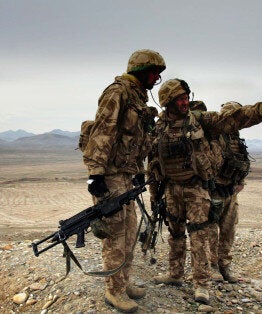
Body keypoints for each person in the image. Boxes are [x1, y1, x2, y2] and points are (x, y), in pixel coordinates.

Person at [147, 78, 262, 304]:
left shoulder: (200, 121)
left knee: (198, 237)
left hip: (195, 189)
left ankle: (202, 285)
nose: (185, 102)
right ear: (168, 102)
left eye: (187, 97)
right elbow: (153, 163)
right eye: (180, 99)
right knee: (175, 235)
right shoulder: (160, 128)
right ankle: (175, 274)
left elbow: (234, 118)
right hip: (171, 189)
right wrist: (155, 195)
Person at [82, 49, 166, 313]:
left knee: (129, 232)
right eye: (154, 73)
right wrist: (95, 175)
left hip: (125, 175)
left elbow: (135, 141)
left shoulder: (137, 98)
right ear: (141, 71)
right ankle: (113, 291)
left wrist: (138, 170)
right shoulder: (117, 92)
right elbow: (103, 132)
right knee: (116, 235)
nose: (156, 78)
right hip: (109, 174)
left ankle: (123, 282)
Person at [195, 101, 250, 284]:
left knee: (228, 230)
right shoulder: (213, 135)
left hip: (231, 193)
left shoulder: (235, 138)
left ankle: (225, 267)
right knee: (211, 231)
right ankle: (212, 267)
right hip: (214, 191)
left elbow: (242, 162)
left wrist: (240, 182)